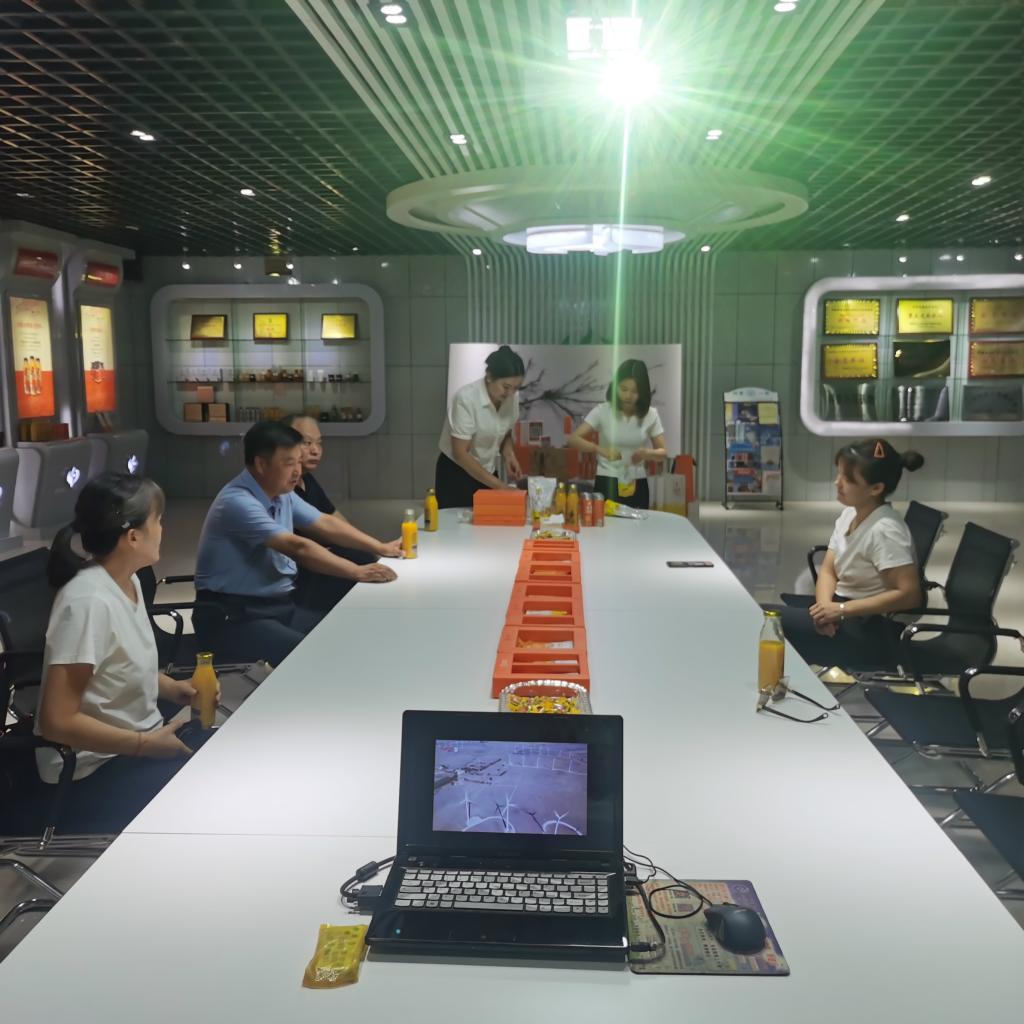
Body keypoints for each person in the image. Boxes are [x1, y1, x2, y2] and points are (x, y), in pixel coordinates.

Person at [34, 472, 196, 834]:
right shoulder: (88, 601)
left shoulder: (127, 581)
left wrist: (174, 689)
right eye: (158, 520)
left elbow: (117, 664)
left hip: (137, 745)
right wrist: (143, 745)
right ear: (133, 536)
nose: (163, 530)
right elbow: (56, 721)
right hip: (92, 771)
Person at [194, 421, 400, 666]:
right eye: (289, 463)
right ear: (261, 464)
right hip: (235, 618)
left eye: (298, 462)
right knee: (318, 658)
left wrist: (380, 547)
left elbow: (324, 523)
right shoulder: (237, 501)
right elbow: (297, 548)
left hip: (278, 607)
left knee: (348, 632)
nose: (297, 472)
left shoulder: (282, 494)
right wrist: (357, 572)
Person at [772, 439, 925, 670]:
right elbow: (828, 569)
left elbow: (909, 595)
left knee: (758, 619)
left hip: (868, 632)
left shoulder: (885, 530)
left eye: (848, 479)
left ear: (876, 488)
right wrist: (825, 609)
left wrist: (841, 610)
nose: (838, 482)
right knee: (759, 617)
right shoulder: (849, 515)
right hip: (843, 616)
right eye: (839, 474)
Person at [280, 413, 379, 612]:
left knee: (364, 557)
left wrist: (378, 549)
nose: (315, 450)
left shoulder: (306, 480)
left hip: (312, 562)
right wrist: (359, 568)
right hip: (294, 575)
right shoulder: (276, 489)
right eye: (307, 442)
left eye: (319, 443)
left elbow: (333, 521)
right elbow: (305, 544)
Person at [567, 358, 667, 510]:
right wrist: (600, 450)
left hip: (637, 481)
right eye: (624, 389)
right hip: (607, 480)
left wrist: (647, 453)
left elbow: (663, 453)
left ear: (642, 392)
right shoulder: (602, 411)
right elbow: (573, 439)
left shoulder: (650, 414)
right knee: (607, 523)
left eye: (634, 391)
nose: (628, 396)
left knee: (639, 524)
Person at [435, 345, 525, 508]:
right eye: (506, 387)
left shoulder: (512, 397)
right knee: (456, 522)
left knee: (490, 521)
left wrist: (509, 455)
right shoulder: (466, 399)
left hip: (487, 471)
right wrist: (501, 486)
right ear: (489, 376)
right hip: (457, 474)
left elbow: (505, 432)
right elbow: (460, 453)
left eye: (516, 388)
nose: (510, 393)